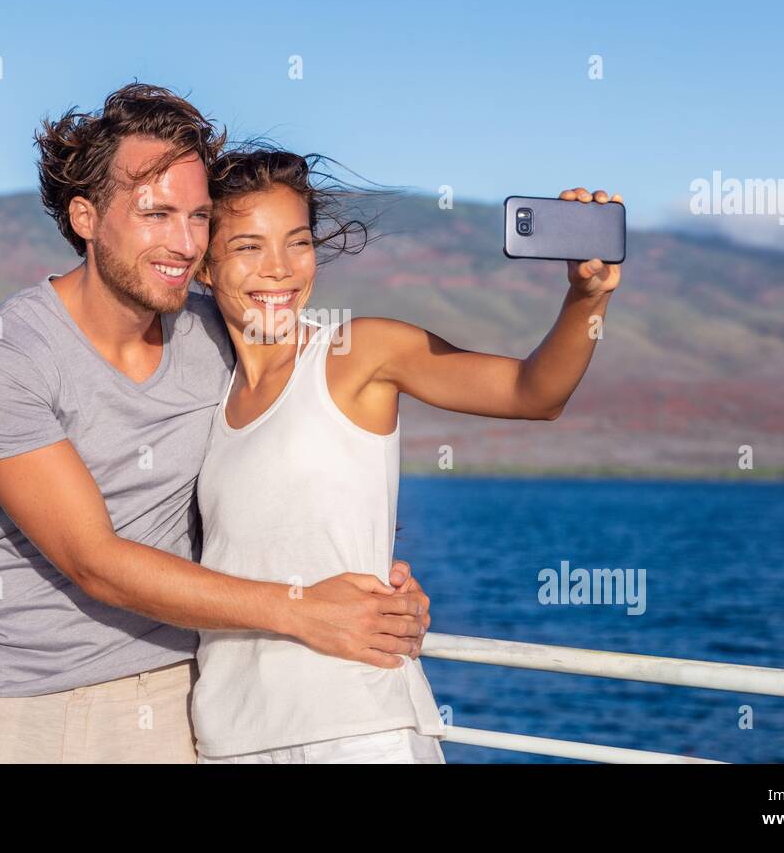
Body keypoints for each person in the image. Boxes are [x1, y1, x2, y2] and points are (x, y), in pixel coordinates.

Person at [0, 84, 430, 764]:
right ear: (85, 216)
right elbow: (94, 562)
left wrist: (375, 583)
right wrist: (307, 609)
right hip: (12, 711)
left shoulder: (219, 331)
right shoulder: (2, 355)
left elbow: (312, 438)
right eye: (156, 214)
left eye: (197, 218)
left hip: (168, 702)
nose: (184, 243)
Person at [189, 148, 621, 763]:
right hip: (230, 736)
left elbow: (535, 394)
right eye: (248, 247)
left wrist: (588, 297)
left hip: (356, 728)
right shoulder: (207, 390)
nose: (279, 269)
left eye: (298, 242)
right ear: (205, 265)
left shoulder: (357, 353)